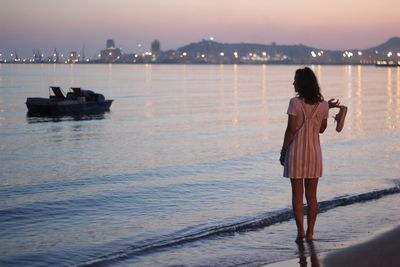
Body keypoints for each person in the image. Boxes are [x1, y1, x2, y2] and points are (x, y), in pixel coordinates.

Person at [279, 67, 346, 242]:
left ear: (300, 83)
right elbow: (322, 130)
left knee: (297, 195)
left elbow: (291, 129)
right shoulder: (323, 105)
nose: (293, 83)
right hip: (314, 154)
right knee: (312, 196)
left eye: (295, 80)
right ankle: (310, 233)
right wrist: (326, 109)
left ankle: (300, 232)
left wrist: (283, 150)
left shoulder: (294, 103)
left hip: (296, 153)